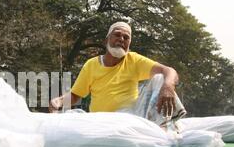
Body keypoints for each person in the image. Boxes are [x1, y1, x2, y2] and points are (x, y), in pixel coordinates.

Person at [49, 22, 186, 130]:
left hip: (130, 117)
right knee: (71, 118)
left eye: (126, 38)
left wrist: (168, 86)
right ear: (106, 40)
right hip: (99, 121)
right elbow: (75, 95)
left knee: (161, 78)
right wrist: (59, 101)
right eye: (117, 35)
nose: (121, 39)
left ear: (129, 44)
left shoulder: (133, 60)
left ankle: (163, 128)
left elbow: (169, 71)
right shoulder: (91, 65)